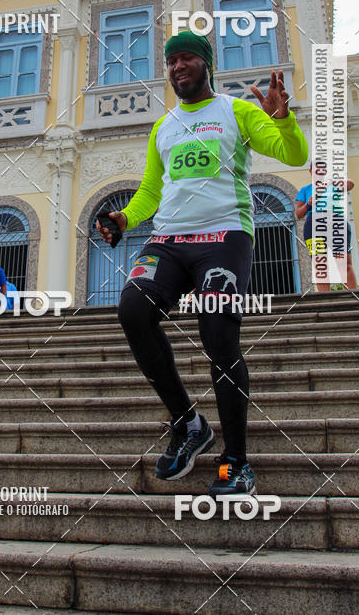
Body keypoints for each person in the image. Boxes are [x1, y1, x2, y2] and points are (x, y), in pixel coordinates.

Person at [97, 31, 307, 496]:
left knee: (217, 334)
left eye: (187, 57)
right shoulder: (164, 125)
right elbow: (152, 192)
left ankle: (236, 461)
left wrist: (284, 119)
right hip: (169, 238)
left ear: (206, 63)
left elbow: (296, 155)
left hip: (225, 234)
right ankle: (189, 424)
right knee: (133, 309)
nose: (177, 67)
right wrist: (123, 217)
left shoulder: (237, 110)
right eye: (171, 61)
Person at [295, 165, 357, 291]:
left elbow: (350, 184)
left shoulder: (333, 185)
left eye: (322, 170)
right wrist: (308, 204)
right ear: (310, 171)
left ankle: (353, 297)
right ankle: (325, 301)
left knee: (344, 262)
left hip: (336, 221)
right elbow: (298, 214)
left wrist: (330, 182)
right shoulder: (306, 190)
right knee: (320, 264)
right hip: (313, 225)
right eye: (316, 170)